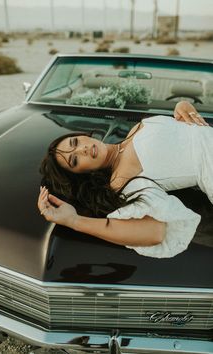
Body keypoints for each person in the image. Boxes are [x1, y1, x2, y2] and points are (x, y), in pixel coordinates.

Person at [38, 101, 211, 258]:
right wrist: (74, 221)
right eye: (74, 160)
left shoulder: (137, 127)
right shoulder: (122, 180)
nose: (82, 149)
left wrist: (183, 105)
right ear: (82, 173)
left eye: (75, 142)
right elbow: (155, 232)